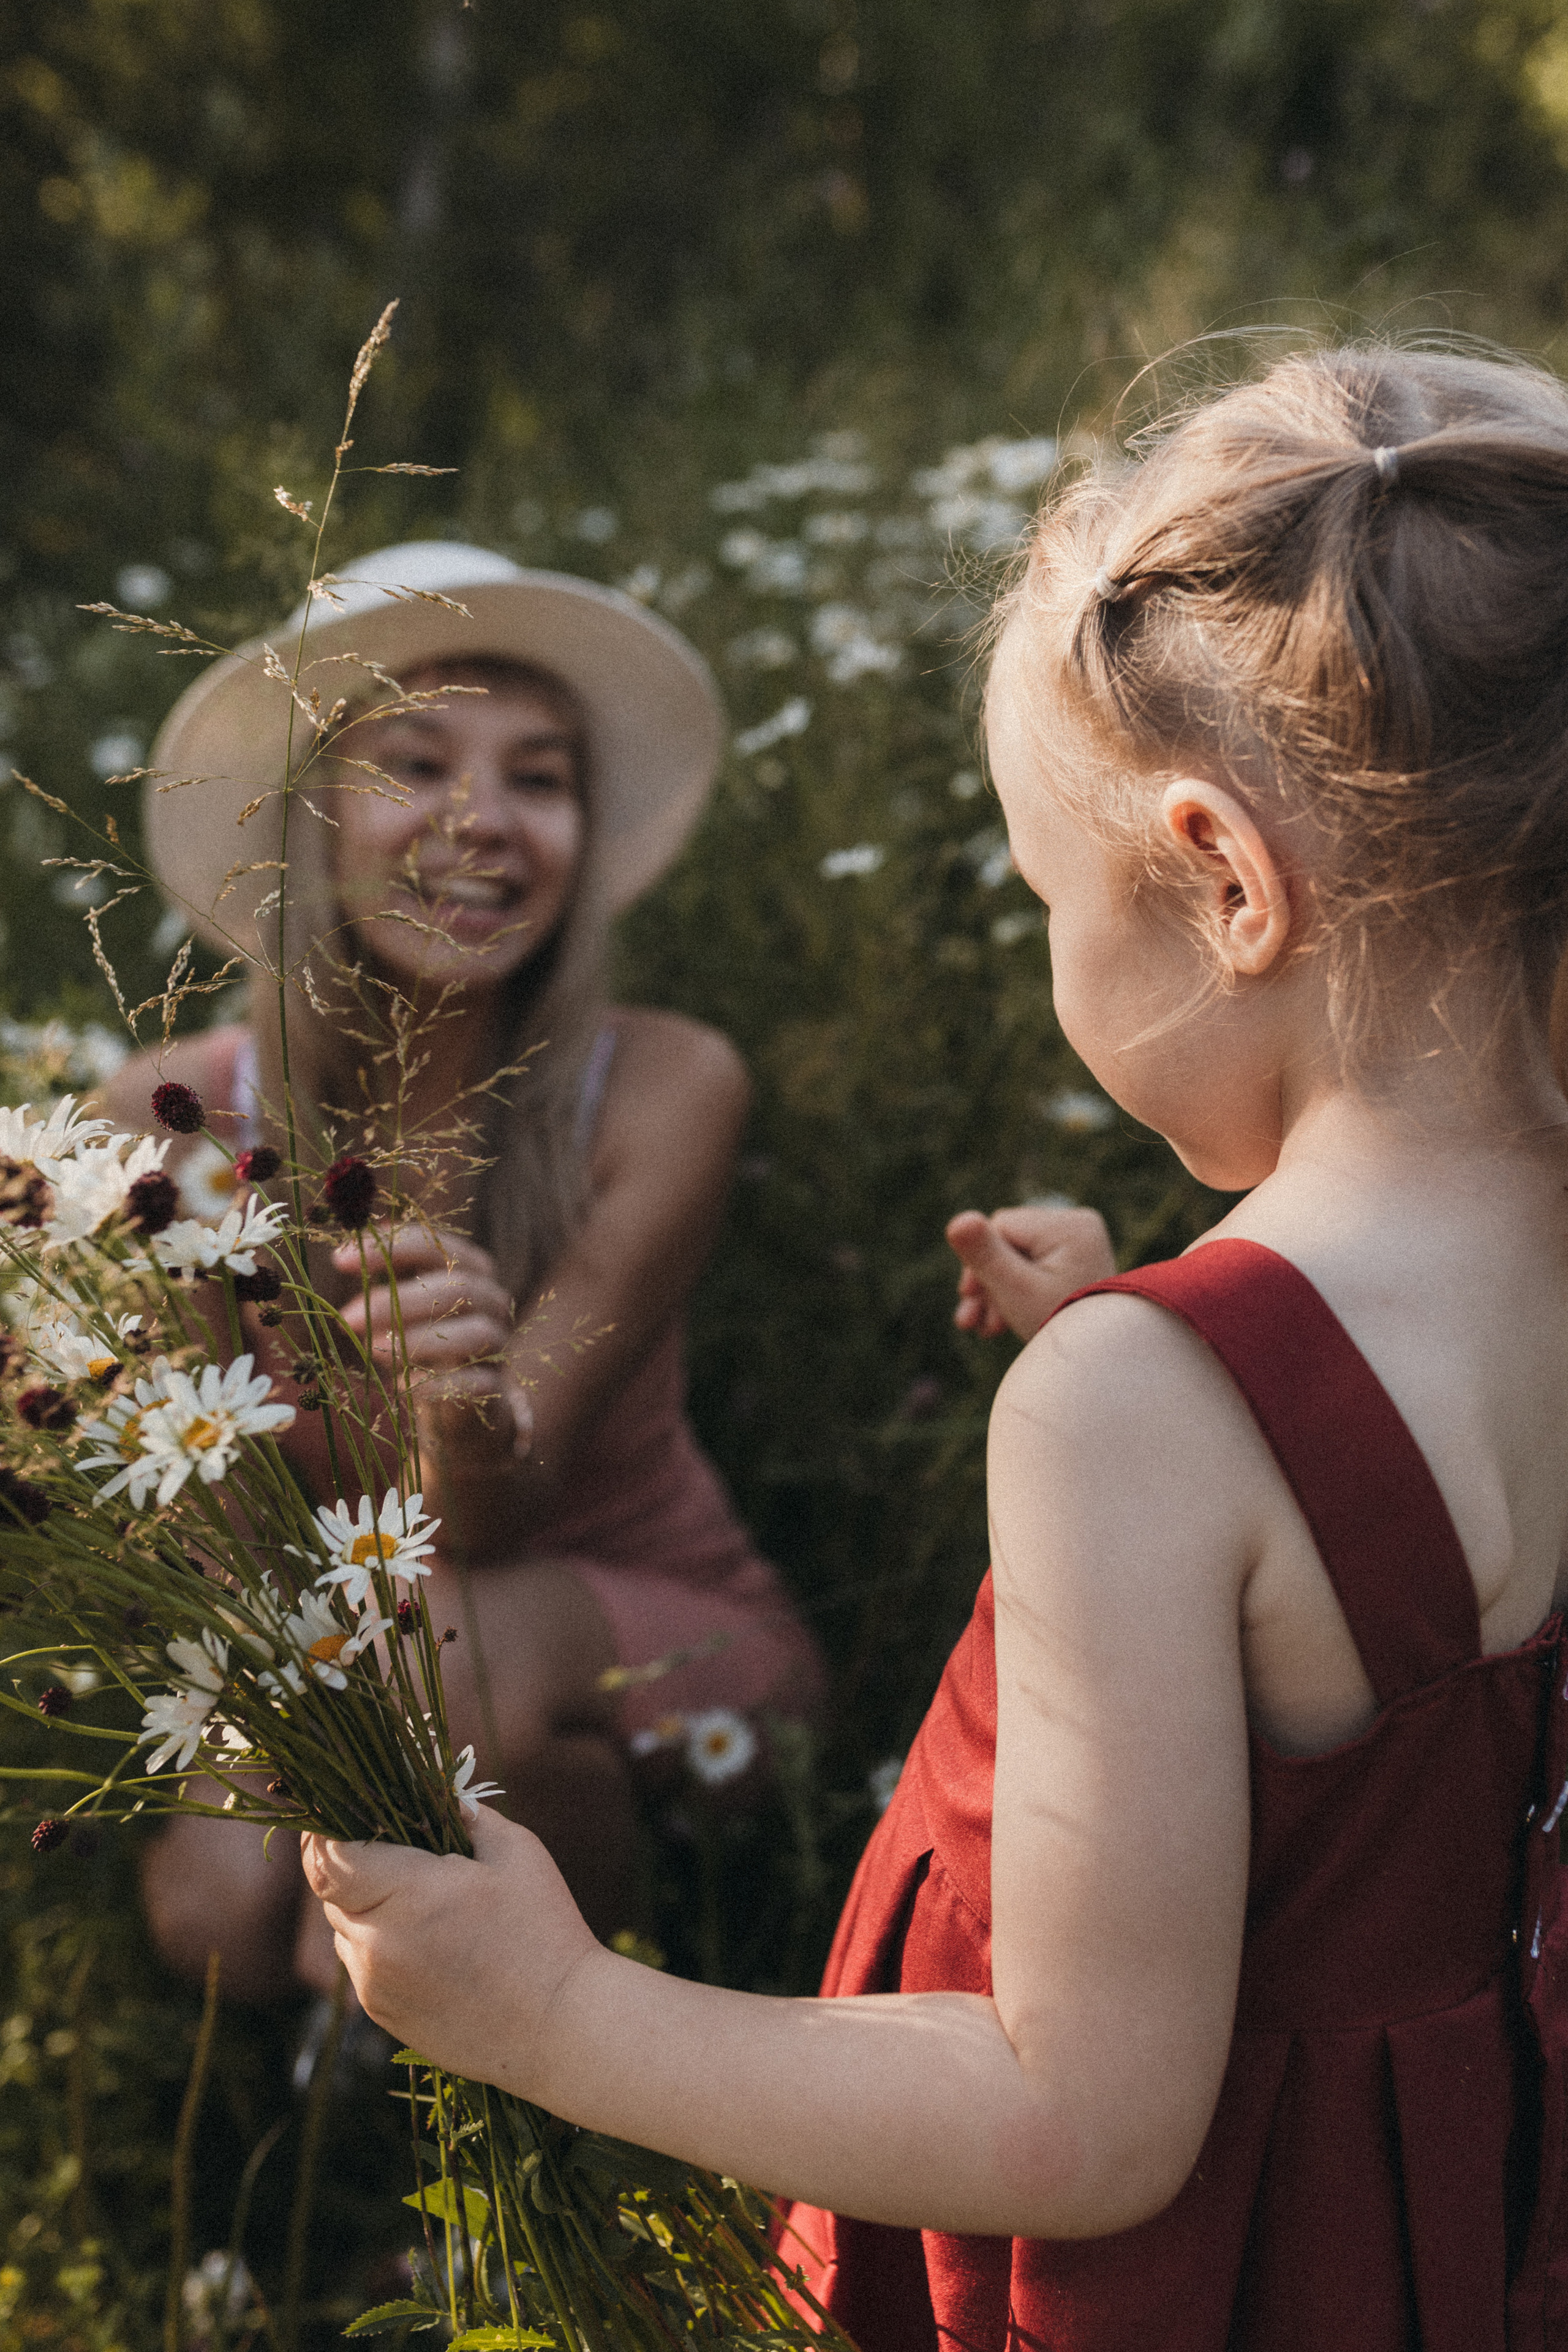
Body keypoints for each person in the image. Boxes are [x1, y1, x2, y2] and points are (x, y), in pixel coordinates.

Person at [305, 342, 1568, 2348]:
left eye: (1048, 887)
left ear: (1226, 879)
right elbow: (1395, 1571)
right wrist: (1197, 1369)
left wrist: (551, 2008)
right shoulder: (1388, 1331)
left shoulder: (1145, 1412)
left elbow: (1076, 2118)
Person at [110, 543, 824, 1997]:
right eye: (413, 764)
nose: (480, 821)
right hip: (349, 1650)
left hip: (636, 1623)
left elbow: (495, 1524)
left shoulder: (662, 1087)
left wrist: (460, 1403)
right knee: (206, 1916)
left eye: (539, 778)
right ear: (308, 820)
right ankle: (420, 2003)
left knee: (446, 1654)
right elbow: (210, 1535)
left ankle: (442, 2088)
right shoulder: (165, 1124)